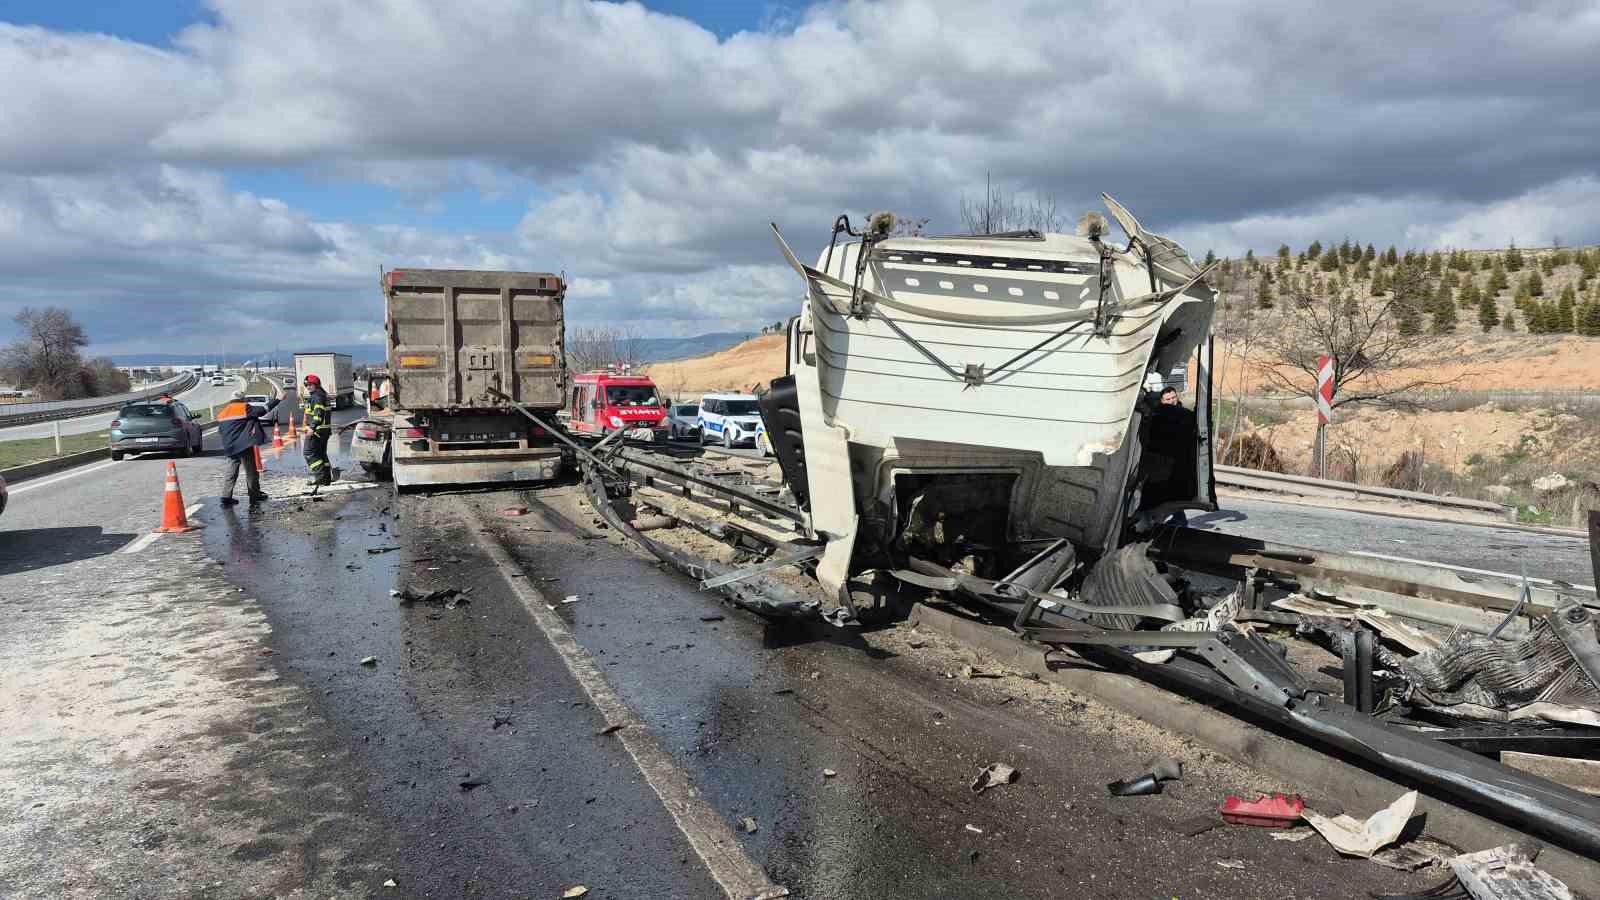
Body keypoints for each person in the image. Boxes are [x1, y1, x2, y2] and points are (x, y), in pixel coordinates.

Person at [217, 389, 279, 506]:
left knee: (231, 471)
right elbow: (263, 410)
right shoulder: (244, 408)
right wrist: (278, 400)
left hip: (229, 447)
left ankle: (226, 496)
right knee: (251, 471)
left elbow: (221, 431)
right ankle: (254, 494)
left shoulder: (223, 412)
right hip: (243, 445)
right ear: (242, 399)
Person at [301, 373, 334, 486]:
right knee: (321, 454)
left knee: (309, 453)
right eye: (306, 385)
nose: (308, 387)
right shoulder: (321, 395)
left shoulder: (317, 396)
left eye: (310, 385)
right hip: (323, 431)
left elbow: (318, 414)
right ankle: (326, 478)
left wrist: (312, 427)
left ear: (316, 385)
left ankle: (320, 477)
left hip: (317, 431)